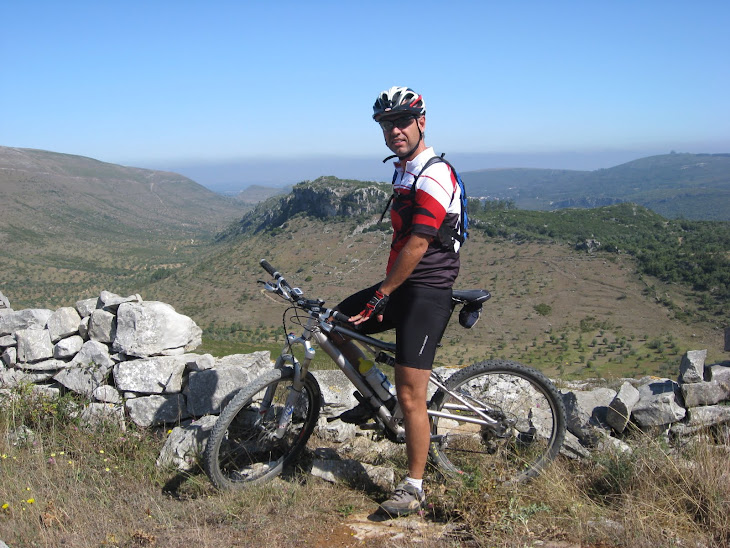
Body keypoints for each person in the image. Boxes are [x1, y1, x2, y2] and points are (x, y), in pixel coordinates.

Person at [333, 86, 463, 517]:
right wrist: (383, 291)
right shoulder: (403, 170)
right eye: (387, 124)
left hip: (426, 292)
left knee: (412, 397)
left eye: (402, 122)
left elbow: (421, 242)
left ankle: (414, 487)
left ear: (421, 122)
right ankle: (375, 396)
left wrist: (381, 294)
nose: (394, 131)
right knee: (335, 324)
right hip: (399, 285)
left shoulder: (433, 173)